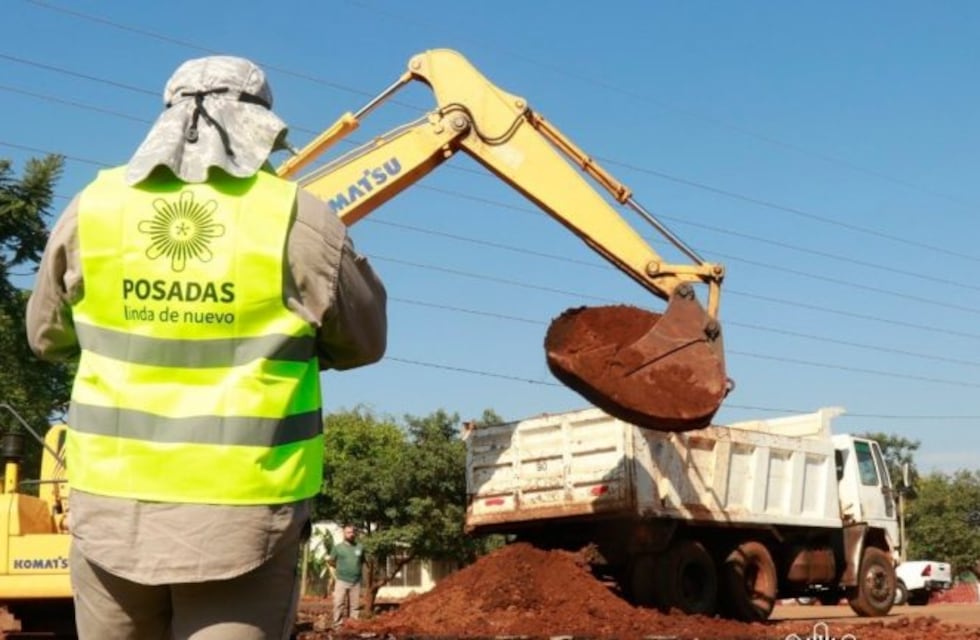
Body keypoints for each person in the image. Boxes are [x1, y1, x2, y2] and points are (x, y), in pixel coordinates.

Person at [25, 55, 387, 640]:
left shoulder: (92, 210)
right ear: (259, 124)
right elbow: (364, 342)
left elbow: (45, 337)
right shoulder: (298, 217)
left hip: (111, 513)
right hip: (244, 517)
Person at [327, 524, 364, 629]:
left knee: (355, 606)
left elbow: (361, 561)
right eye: (348, 532)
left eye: (352, 532)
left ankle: (352, 626)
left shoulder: (360, 547)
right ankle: (337, 626)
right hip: (342, 580)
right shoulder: (338, 548)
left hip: (356, 581)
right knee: (338, 604)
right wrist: (340, 569)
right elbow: (331, 561)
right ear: (343, 533)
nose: (351, 534)